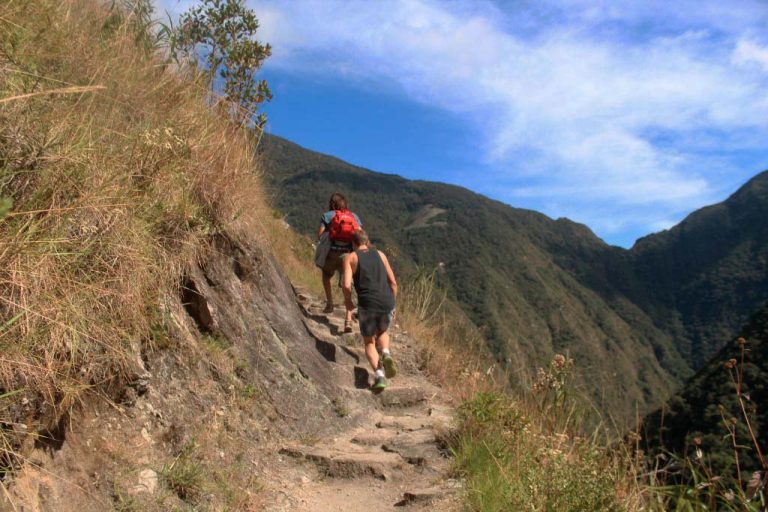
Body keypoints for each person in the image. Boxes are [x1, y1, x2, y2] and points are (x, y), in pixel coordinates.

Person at [342, 228, 398, 391]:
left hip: (368, 304)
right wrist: (393, 304)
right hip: (386, 300)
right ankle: (386, 352)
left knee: (369, 342)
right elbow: (393, 283)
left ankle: (379, 376)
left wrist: (348, 302)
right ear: (367, 241)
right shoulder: (380, 254)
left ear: (353, 243)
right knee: (382, 331)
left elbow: (346, 285)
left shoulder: (351, 257)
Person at [317, 193, 363, 331]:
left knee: (326, 275)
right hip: (348, 256)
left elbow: (320, 235)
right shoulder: (354, 217)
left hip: (331, 253)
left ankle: (330, 303)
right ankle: (348, 319)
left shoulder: (327, 216)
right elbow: (360, 236)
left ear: (332, 204)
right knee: (347, 286)